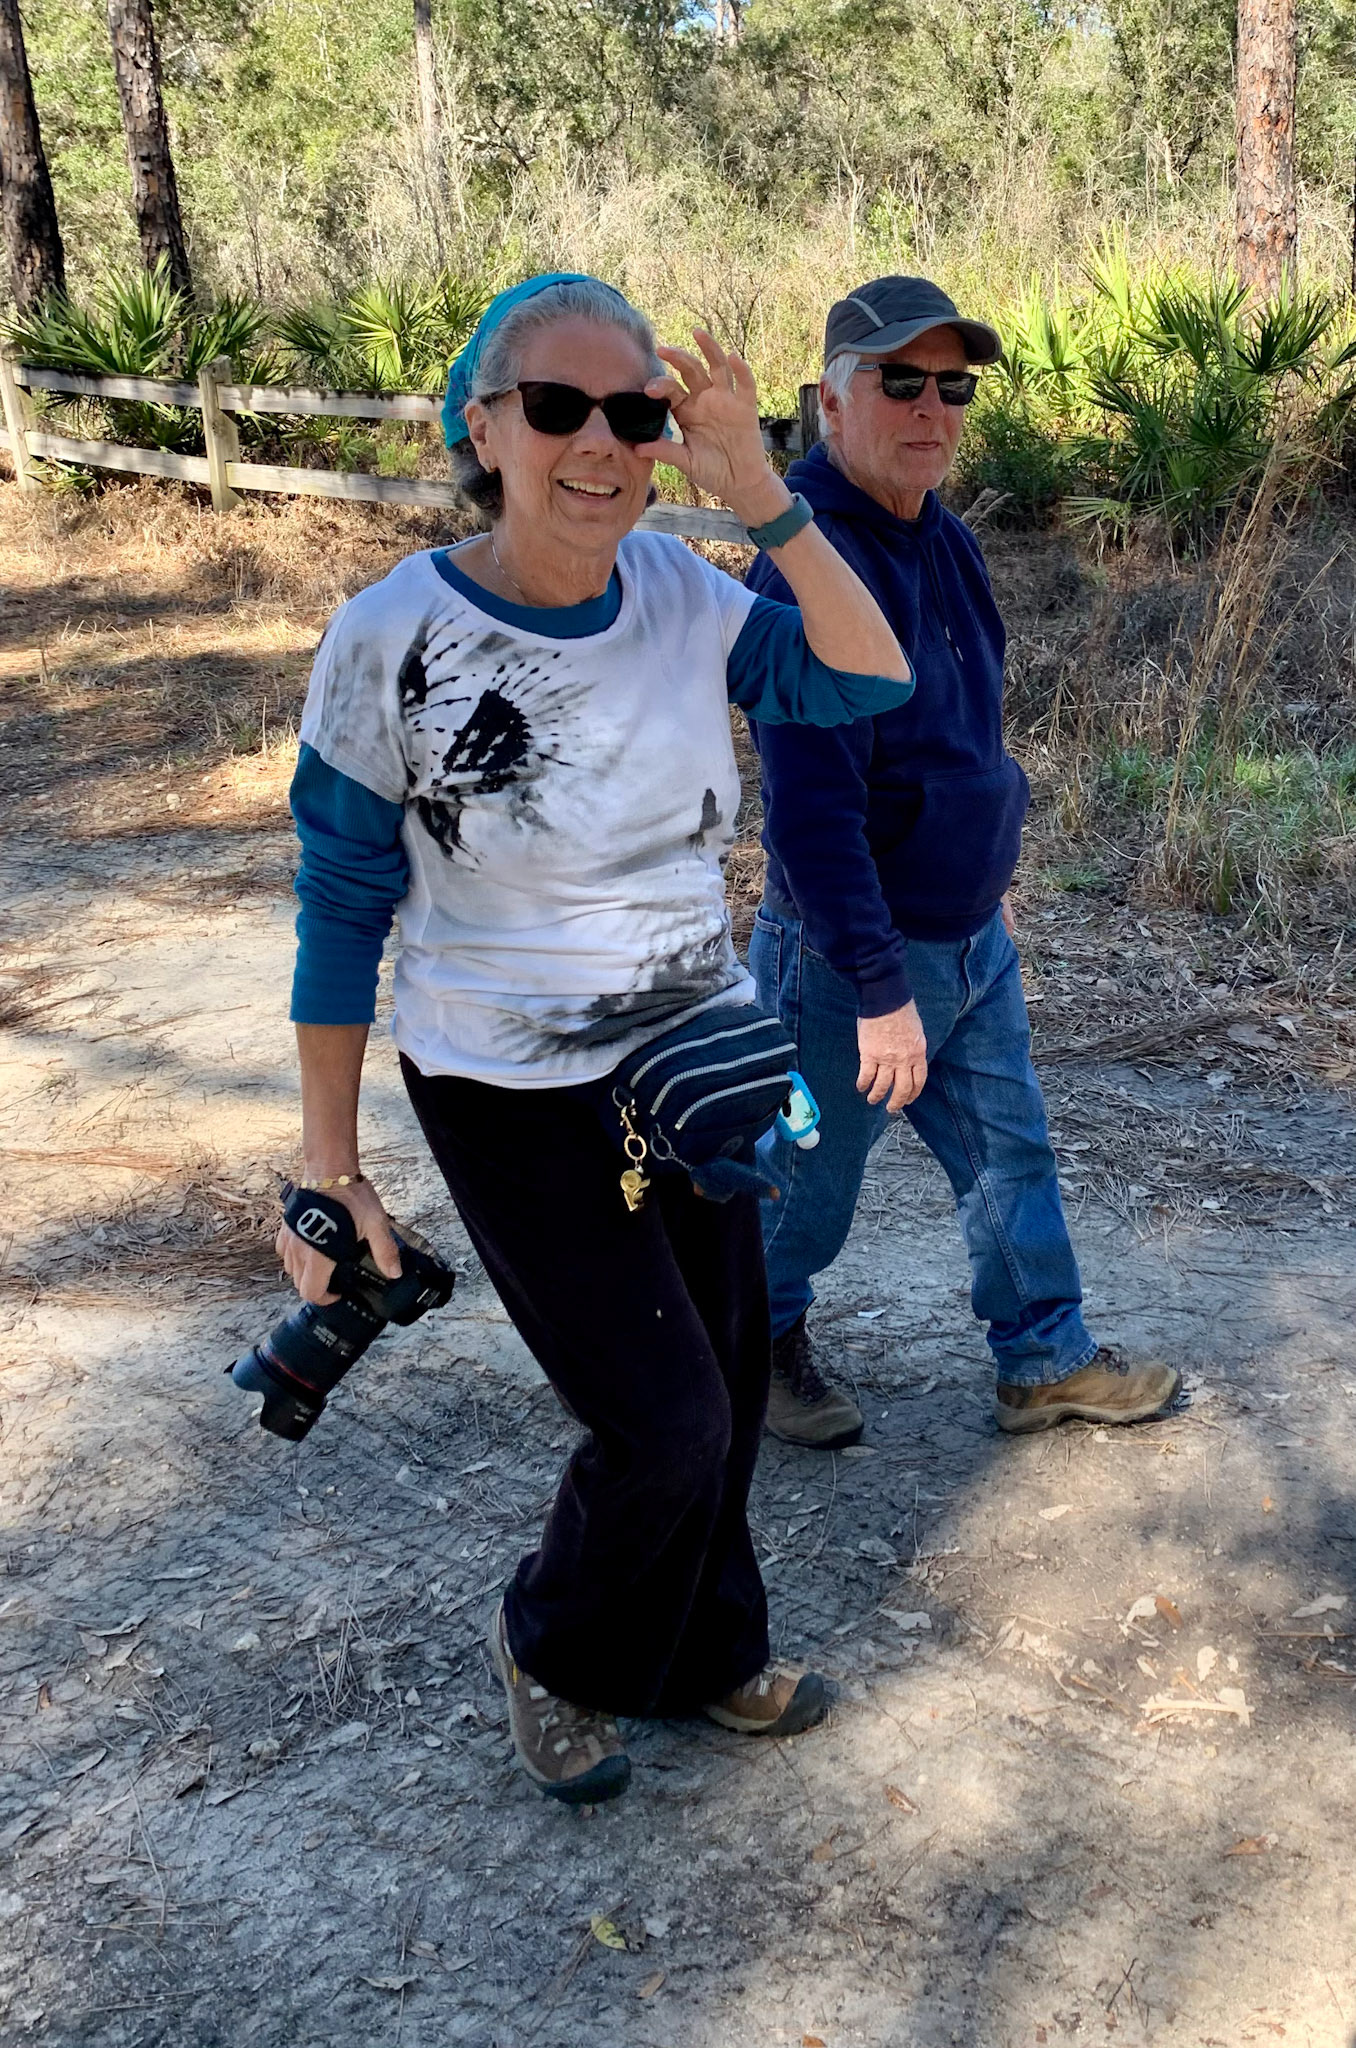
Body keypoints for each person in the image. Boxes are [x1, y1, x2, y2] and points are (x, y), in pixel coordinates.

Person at [273, 272, 912, 1804]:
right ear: (482, 425)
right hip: (508, 1081)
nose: (601, 444)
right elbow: (342, 903)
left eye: (633, 413)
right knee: (662, 1414)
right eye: (556, 407)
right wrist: (328, 1166)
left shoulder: (692, 595)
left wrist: (759, 492)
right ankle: (553, 1646)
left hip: (697, 1058)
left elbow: (867, 671)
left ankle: (702, 1652)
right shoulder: (388, 636)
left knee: (734, 1386)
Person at [747, 274, 1181, 1449]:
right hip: (848, 956)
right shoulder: (808, 557)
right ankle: (742, 1347)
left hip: (969, 934)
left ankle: (1044, 1356)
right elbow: (809, 811)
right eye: (900, 380)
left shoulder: (946, 537)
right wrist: (881, 985)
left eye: (954, 385)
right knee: (800, 1182)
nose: (932, 407)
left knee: (1008, 1148)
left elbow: (966, 736)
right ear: (831, 402)